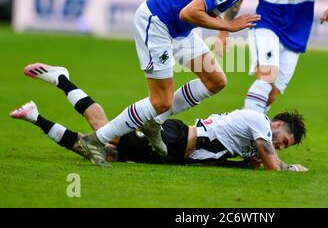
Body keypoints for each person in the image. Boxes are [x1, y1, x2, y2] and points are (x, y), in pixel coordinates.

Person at [51, 0, 284, 167]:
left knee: (215, 80)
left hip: (181, 31)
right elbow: (187, 13)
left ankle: (154, 122)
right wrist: (228, 26)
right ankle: (96, 141)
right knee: (160, 100)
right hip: (158, 24)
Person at [10, 63, 308, 172]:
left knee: (109, 153)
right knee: (103, 132)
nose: (281, 146)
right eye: (284, 141)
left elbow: (235, 153)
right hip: (176, 140)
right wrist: (290, 166)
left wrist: (245, 163)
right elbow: (274, 165)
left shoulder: (257, 137)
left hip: (177, 156)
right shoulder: (258, 121)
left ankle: (36, 116)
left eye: (285, 147)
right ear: (277, 125)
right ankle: (61, 80)